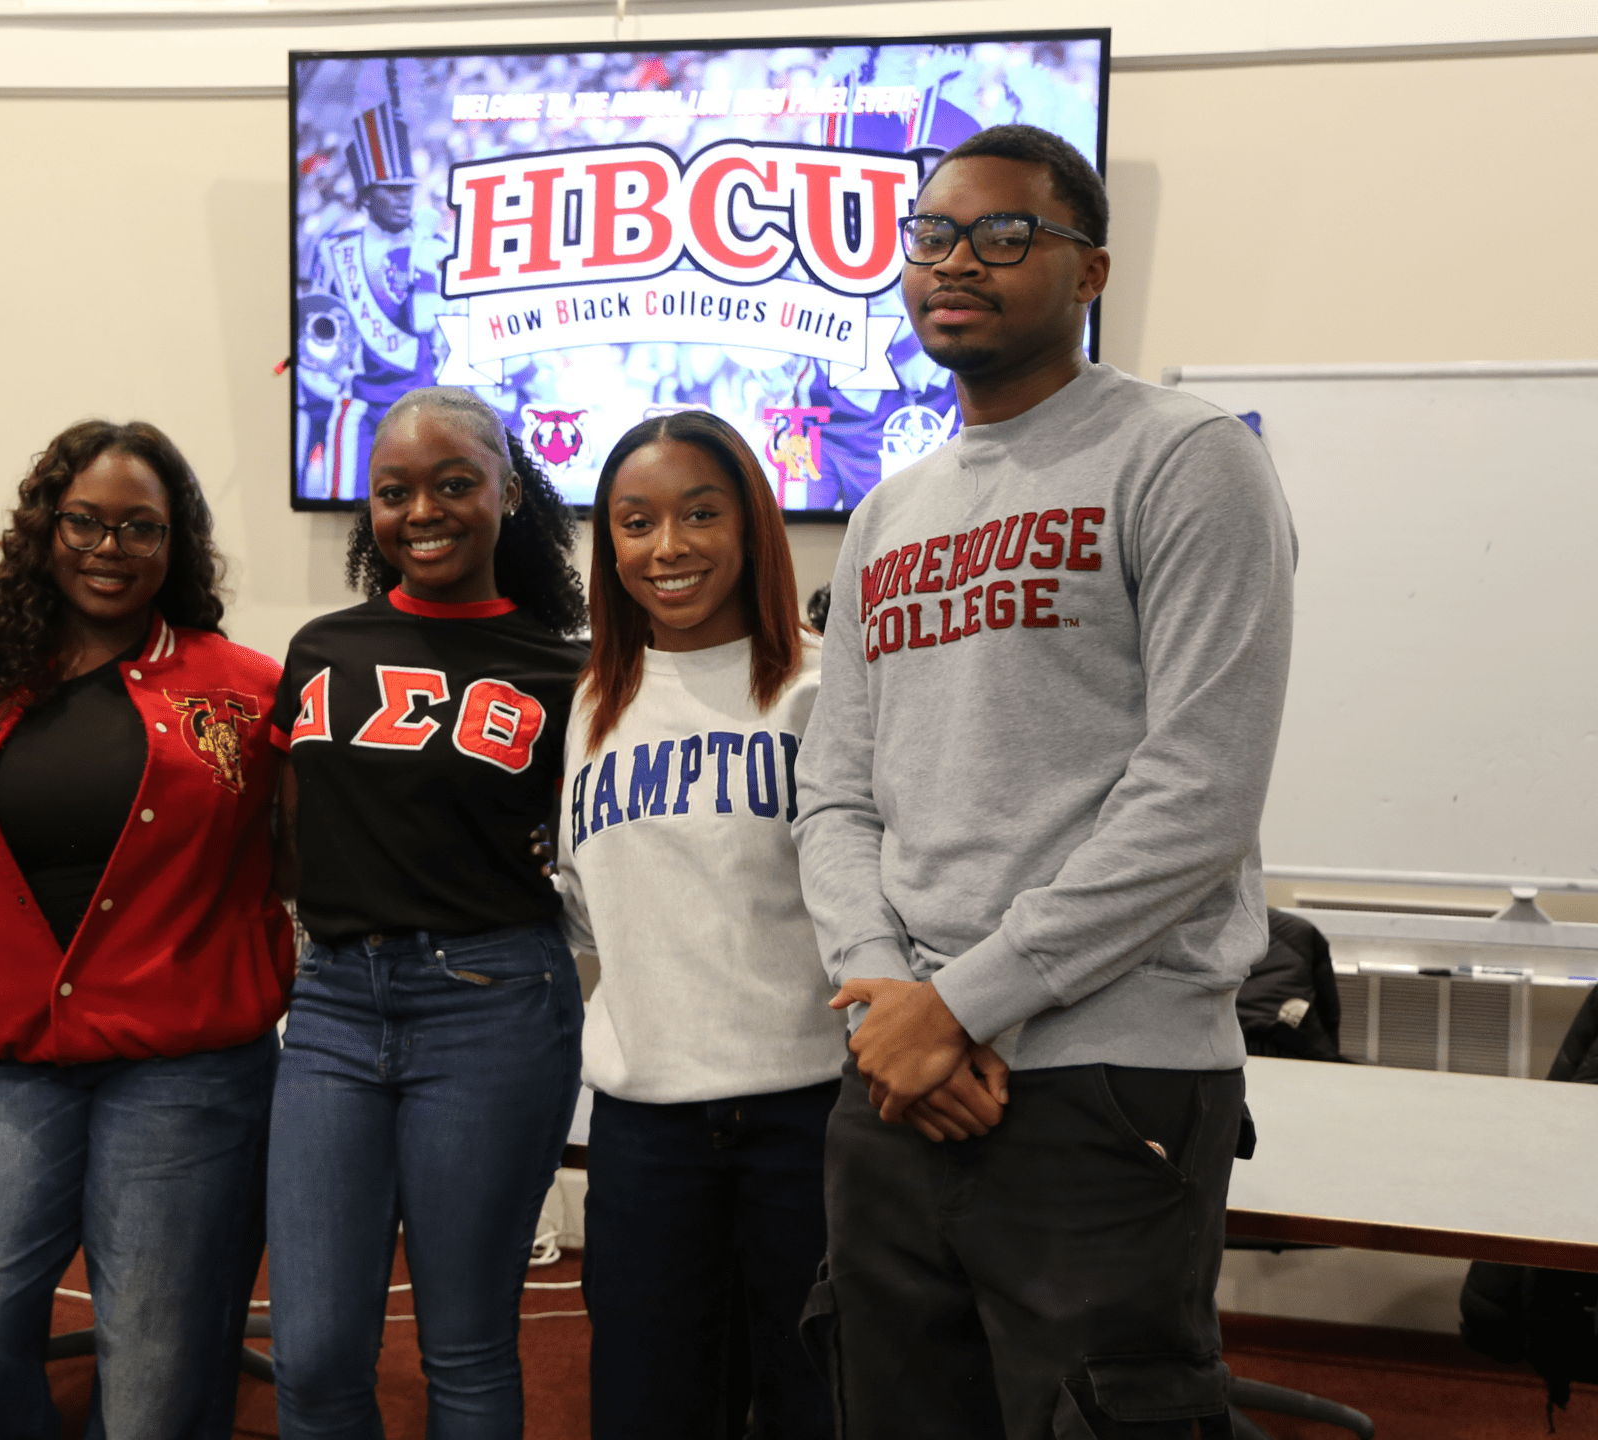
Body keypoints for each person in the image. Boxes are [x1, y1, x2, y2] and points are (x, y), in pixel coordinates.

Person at [793, 124, 1296, 1439]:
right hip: (895, 1081)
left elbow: (1199, 792)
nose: (960, 261)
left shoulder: (1184, 459)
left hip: (1100, 1085)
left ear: (1091, 272)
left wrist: (963, 1004)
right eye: (933, 237)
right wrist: (889, 1005)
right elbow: (837, 795)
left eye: (1008, 234)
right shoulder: (886, 512)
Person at [0, 421, 292, 1440]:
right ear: (44, 527)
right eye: (84, 520)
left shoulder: (244, 689)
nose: (107, 547)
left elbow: (310, 854)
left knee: (157, 1367)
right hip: (6, 1066)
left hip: (187, 1069)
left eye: (140, 528)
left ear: (177, 546)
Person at [266, 386, 589, 1438]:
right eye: (394, 492)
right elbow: (286, 831)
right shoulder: (320, 649)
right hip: (332, 1010)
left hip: (491, 1004)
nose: (423, 512)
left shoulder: (568, 668)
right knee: (310, 1354)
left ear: (507, 492)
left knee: (464, 1343)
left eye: (454, 484)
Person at [552, 411, 835, 1438]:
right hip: (646, 1131)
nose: (666, 547)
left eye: (699, 513)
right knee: (648, 1412)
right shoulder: (588, 705)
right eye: (635, 522)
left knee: (819, 1408)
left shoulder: (821, 686)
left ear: (752, 524)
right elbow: (584, 909)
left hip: (809, 1122)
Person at [299, 89, 451, 501]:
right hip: (358, 408)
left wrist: (422, 265)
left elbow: (425, 323)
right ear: (366, 195)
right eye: (391, 189)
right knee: (343, 507)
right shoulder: (335, 252)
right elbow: (318, 327)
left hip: (422, 409)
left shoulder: (434, 248)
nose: (403, 198)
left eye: (408, 189)